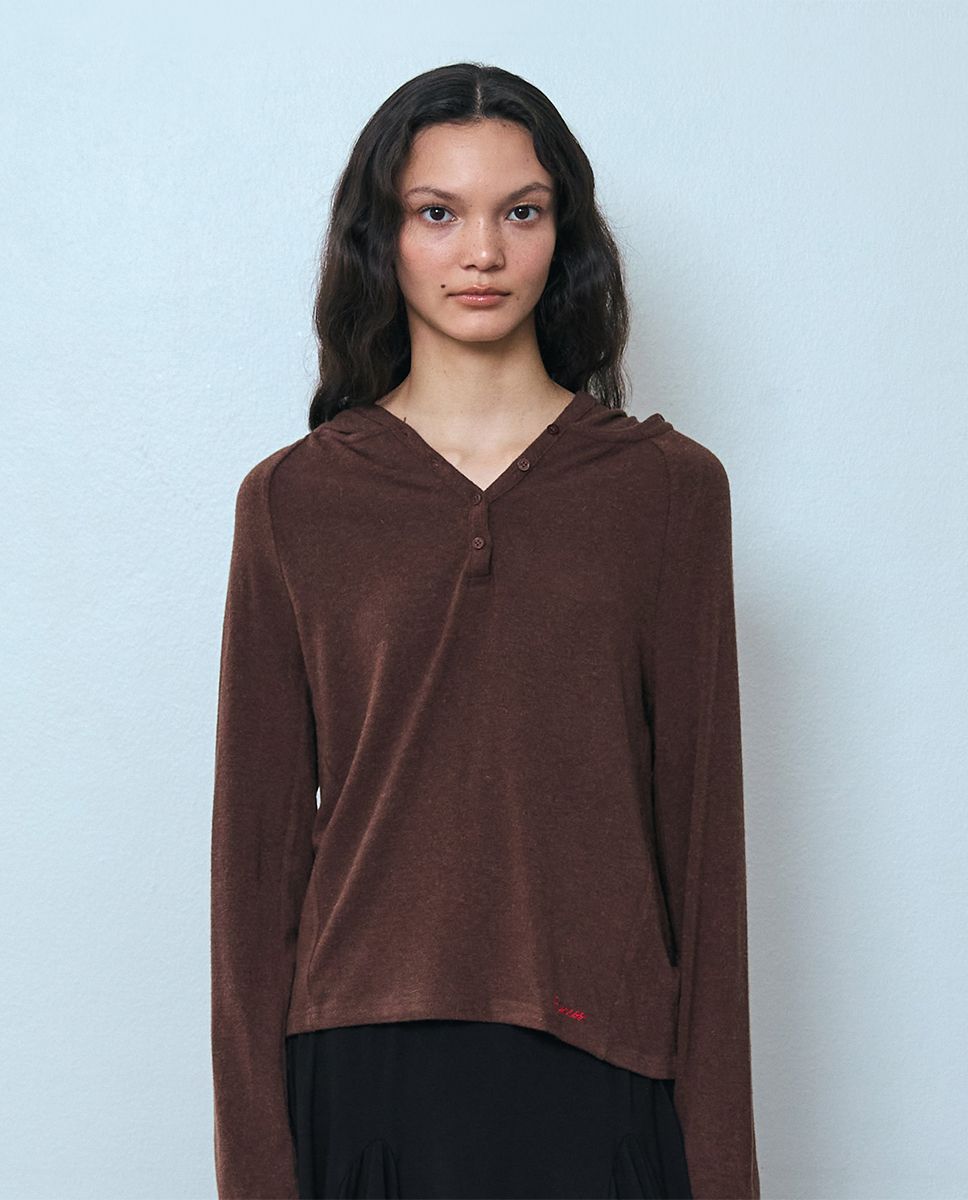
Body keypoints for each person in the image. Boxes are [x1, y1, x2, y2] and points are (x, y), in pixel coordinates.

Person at [210, 62, 760, 1200]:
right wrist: (256, 1174)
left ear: (565, 234)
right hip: (361, 1071)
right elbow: (252, 871)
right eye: (437, 213)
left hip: (603, 1064)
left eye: (521, 211)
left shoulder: (665, 492)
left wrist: (720, 1172)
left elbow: (703, 851)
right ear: (382, 238)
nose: (481, 252)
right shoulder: (294, 502)